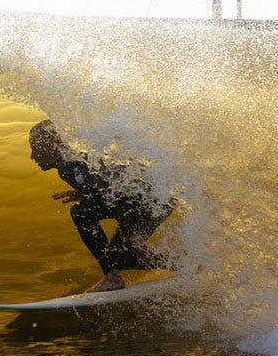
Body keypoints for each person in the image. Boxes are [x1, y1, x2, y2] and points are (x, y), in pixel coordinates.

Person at [29, 119, 176, 292]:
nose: (33, 155)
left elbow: (119, 196)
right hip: (159, 198)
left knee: (80, 212)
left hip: (147, 201)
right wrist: (81, 193)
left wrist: (133, 238)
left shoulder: (68, 166)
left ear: (51, 145)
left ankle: (112, 278)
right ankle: (184, 267)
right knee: (120, 257)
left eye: (36, 148)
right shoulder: (75, 158)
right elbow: (111, 187)